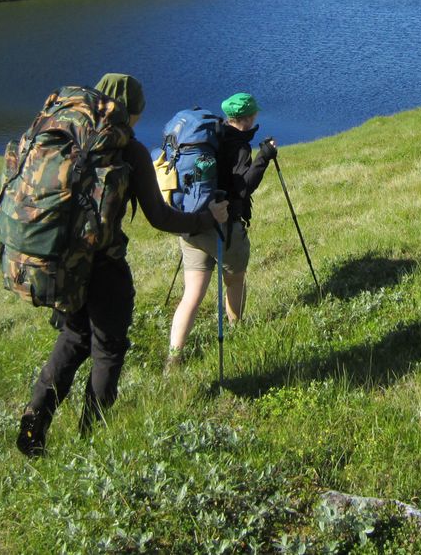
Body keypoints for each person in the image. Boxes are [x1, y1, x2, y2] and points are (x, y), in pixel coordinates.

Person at [16, 73, 228, 457]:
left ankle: (35, 417)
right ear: (130, 110)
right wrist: (206, 218)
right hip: (104, 267)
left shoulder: (69, 133)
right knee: (108, 350)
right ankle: (92, 436)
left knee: (75, 336)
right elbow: (161, 218)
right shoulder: (126, 149)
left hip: (62, 260)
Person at [167, 92, 276, 368]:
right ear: (248, 118)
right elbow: (243, 188)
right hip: (223, 226)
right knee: (235, 279)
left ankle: (175, 356)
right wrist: (264, 157)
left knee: (192, 293)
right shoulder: (239, 147)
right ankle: (236, 328)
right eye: (254, 116)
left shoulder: (211, 137)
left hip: (193, 221)